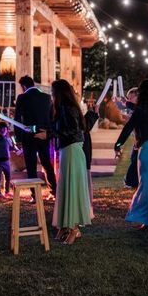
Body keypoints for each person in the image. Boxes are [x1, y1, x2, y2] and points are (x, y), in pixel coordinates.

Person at [35, 79, 91, 245]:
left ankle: (74, 229)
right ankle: (65, 225)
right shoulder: (64, 108)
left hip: (73, 150)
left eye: (53, 93)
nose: (51, 96)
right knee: (66, 188)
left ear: (59, 93)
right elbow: (62, 128)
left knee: (71, 188)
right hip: (68, 150)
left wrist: (50, 135)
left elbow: (72, 130)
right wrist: (50, 131)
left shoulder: (68, 108)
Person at [115, 79, 148, 229]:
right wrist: (127, 104)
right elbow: (138, 110)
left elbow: (128, 127)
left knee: (147, 183)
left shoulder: (141, 109)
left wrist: (117, 145)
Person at [14, 75, 57, 203]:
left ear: (23, 86)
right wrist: (50, 133)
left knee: (31, 166)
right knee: (46, 164)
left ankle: (35, 195)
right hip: (43, 134)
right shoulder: (46, 97)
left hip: (28, 135)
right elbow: (51, 117)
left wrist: (18, 138)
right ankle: (54, 191)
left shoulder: (22, 98)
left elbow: (17, 119)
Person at [0, 121, 21, 201]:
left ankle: (7, 192)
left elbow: (10, 148)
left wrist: (17, 150)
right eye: (0, 129)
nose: (3, 130)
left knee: (8, 177)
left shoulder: (8, 138)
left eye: (4, 128)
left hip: (7, 161)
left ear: (6, 129)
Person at [123, 87, 140, 189]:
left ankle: (132, 181)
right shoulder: (134, 109)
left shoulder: (139, 109)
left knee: (135, 159)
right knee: (134, 158)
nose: (129, 100)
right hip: (137, 139)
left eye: (131, 97)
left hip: (142, 140)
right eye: (128, 98)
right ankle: (132, 180)